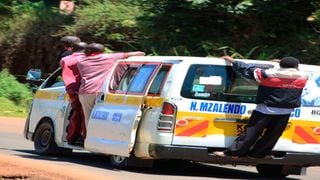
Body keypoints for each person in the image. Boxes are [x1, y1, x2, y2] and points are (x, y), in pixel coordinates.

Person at [214, 56, 308, 158]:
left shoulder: (267, 74)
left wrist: (234, 61)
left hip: (264, 111)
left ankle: (233, 153)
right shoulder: (303, 76)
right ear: (296, 66)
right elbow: (295, 69)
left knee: (250, 135)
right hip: (285, 113)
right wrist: (282, 63)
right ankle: (257, 154)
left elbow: (247, 70)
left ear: (281, 65)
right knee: (272, 137)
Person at [77, 43, 145, 130]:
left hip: (86, 93)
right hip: (103, 93)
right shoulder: (111, 57)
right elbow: (141, 53)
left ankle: (90, 139)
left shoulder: (81, 61)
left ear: (88, 51)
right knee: (104, 119)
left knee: (88, 118)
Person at [60, 41, 87, 146]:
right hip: (87, 89)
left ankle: (71, 137)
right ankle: (84, 137)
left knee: (76, 113)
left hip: (72, 90)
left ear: (73, 49)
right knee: (85, 115)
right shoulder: (87, 59)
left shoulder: (65, 60)